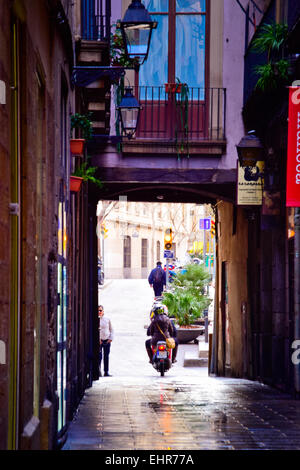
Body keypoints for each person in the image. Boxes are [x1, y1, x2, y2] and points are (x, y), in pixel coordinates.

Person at [98, 305, 113, 377]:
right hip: (99, 341)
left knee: (106, 356)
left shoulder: (107, 319)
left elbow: (111, 329)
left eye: (100, 310)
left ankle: (106, 371)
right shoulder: (96, 319)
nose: (99, 312)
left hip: (107, 340)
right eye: (98, 310)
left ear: (103, 311)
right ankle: (98, 371)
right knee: (99, 356)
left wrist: (111, 338)